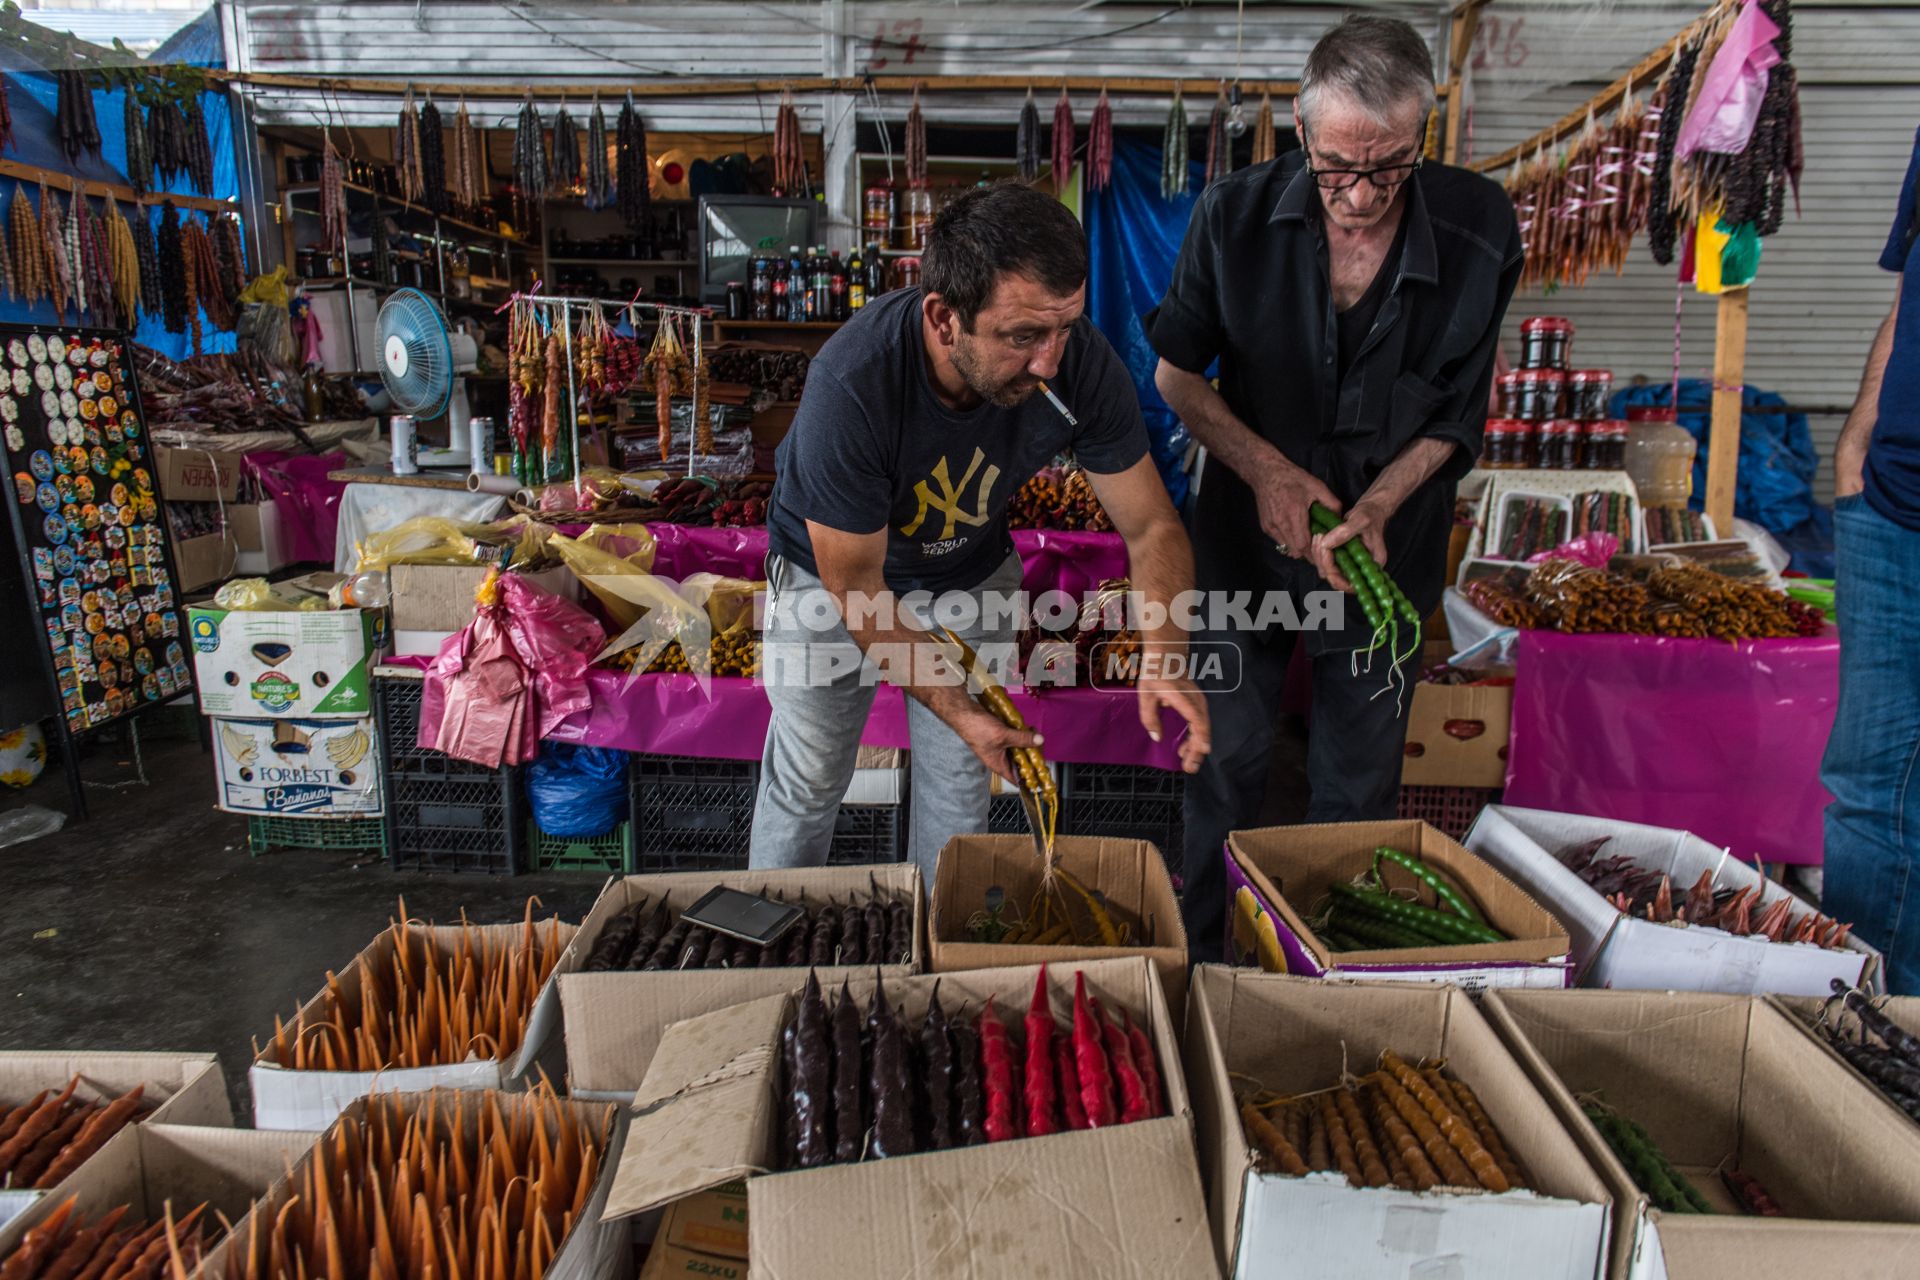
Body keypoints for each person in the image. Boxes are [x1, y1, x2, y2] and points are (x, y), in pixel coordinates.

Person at [1147, 15, 1521, 959]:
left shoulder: (1480, 231)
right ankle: (1203, 972)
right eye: (1337, 166)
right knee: (1224, 763)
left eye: (1389, 166)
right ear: (1303, 135)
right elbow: (1176, 377)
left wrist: (1382, 502)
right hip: (1243, 546)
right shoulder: (1232, 217)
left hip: (1384, 559)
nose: (1359, 195)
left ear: (1422, 138)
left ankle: (1327, 986)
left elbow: (1457, 416)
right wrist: (1270, 472)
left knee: (1357, 785)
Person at [751, 183, 1211, 878]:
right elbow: (857, 590)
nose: (1050, 361)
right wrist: (957, 710)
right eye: (1022, 335)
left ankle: (934, 964)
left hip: (966, 569)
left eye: (1064, 327)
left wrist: (1167, 650)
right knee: (811, 777)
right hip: (833, 576)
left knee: (962, 783)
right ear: (943, 318)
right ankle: (769, 955)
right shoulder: (854, 383)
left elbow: (1151, 526)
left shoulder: (1076, 360)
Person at [1822, 123, 1920, 994]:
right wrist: (1856, 442)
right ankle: (1876, 1036)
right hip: (1893, 507)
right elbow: (1913, 293)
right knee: (1868, 792)